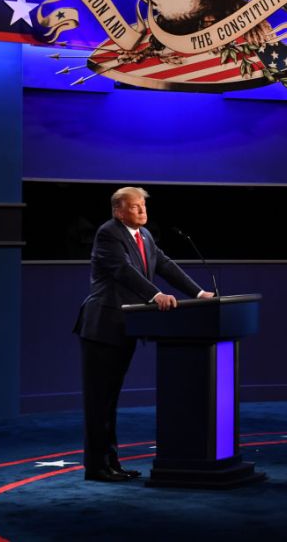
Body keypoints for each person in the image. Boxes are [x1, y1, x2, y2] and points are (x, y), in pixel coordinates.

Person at [74, 187, 214, 482]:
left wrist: (198, 292)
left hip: (126, 327)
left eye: (143, 206)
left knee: (111, 400)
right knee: (99, 401)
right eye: (135, 207)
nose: (141, 211)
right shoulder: (108, 233)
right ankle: (97, 467)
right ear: (118, 210)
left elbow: (164, 265)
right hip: (102, 326)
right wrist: (155, 295)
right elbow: (123, 270)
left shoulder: (145, 236)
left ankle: (111, 462)